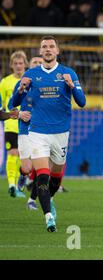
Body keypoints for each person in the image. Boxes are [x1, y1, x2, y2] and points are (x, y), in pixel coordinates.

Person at [10, 35, 86, 232]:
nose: (48, 49)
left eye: (51, 46)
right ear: (40, 51)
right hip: (37, 133)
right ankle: (48, 217)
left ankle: (49, 199)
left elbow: (82, 101)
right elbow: (15, 102)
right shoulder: (32, 74)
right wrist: (20, 89)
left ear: (57, 51)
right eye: (44, 47)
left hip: (61, 133)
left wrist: (71, 86)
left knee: (56, 177)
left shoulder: (68, 73)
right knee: (41, 177)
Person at [9, 56, 43, 210]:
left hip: (43, 131)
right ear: (30, 65)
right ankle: (23, 174)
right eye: (35, 62)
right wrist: (20, 113)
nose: (37, 65)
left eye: (40, 63)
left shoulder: (47, 84)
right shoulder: (23, 82)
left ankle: (32, 200)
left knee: (41, 169)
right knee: (28, 168)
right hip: (25, 130)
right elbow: (11, 105)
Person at [0, 50, 27, 198]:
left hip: (27, 125)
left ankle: (19, 184)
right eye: (15, 63)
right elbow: (1, 104)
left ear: (25, 64)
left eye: (20, 63)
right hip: (11, 124)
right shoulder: (5, 82)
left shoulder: (29, 80)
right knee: (13, 153)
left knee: (24, 157)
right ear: (11, 65)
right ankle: (12, 185)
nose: (18, 66)